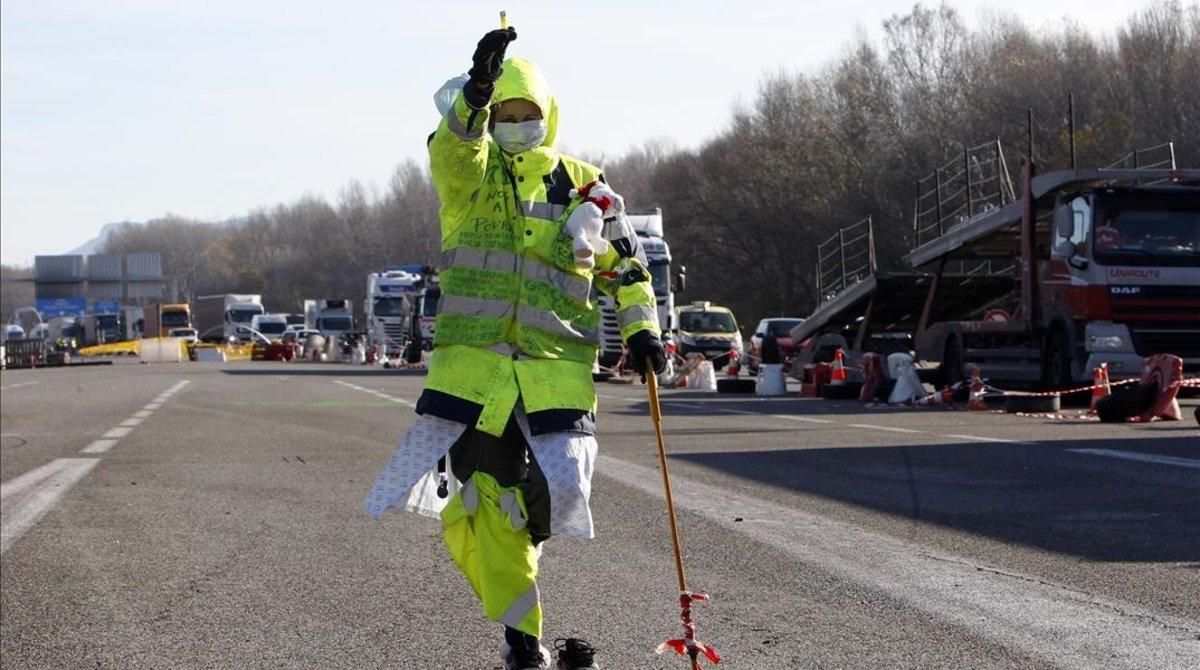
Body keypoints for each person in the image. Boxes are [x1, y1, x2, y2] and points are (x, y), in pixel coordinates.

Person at [364, 25, 667, 670]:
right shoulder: (472, 181)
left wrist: (643, 331)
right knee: (486, 504)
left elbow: (629, 268)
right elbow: (452, 149)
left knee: (556, 500)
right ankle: (524, 642)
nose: (519, 124)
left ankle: (519, 607)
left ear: (549, 115)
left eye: (529, 114)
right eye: (507, 113)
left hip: (557, 379)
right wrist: (474, 95)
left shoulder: (587, 187)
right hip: (474, 382)